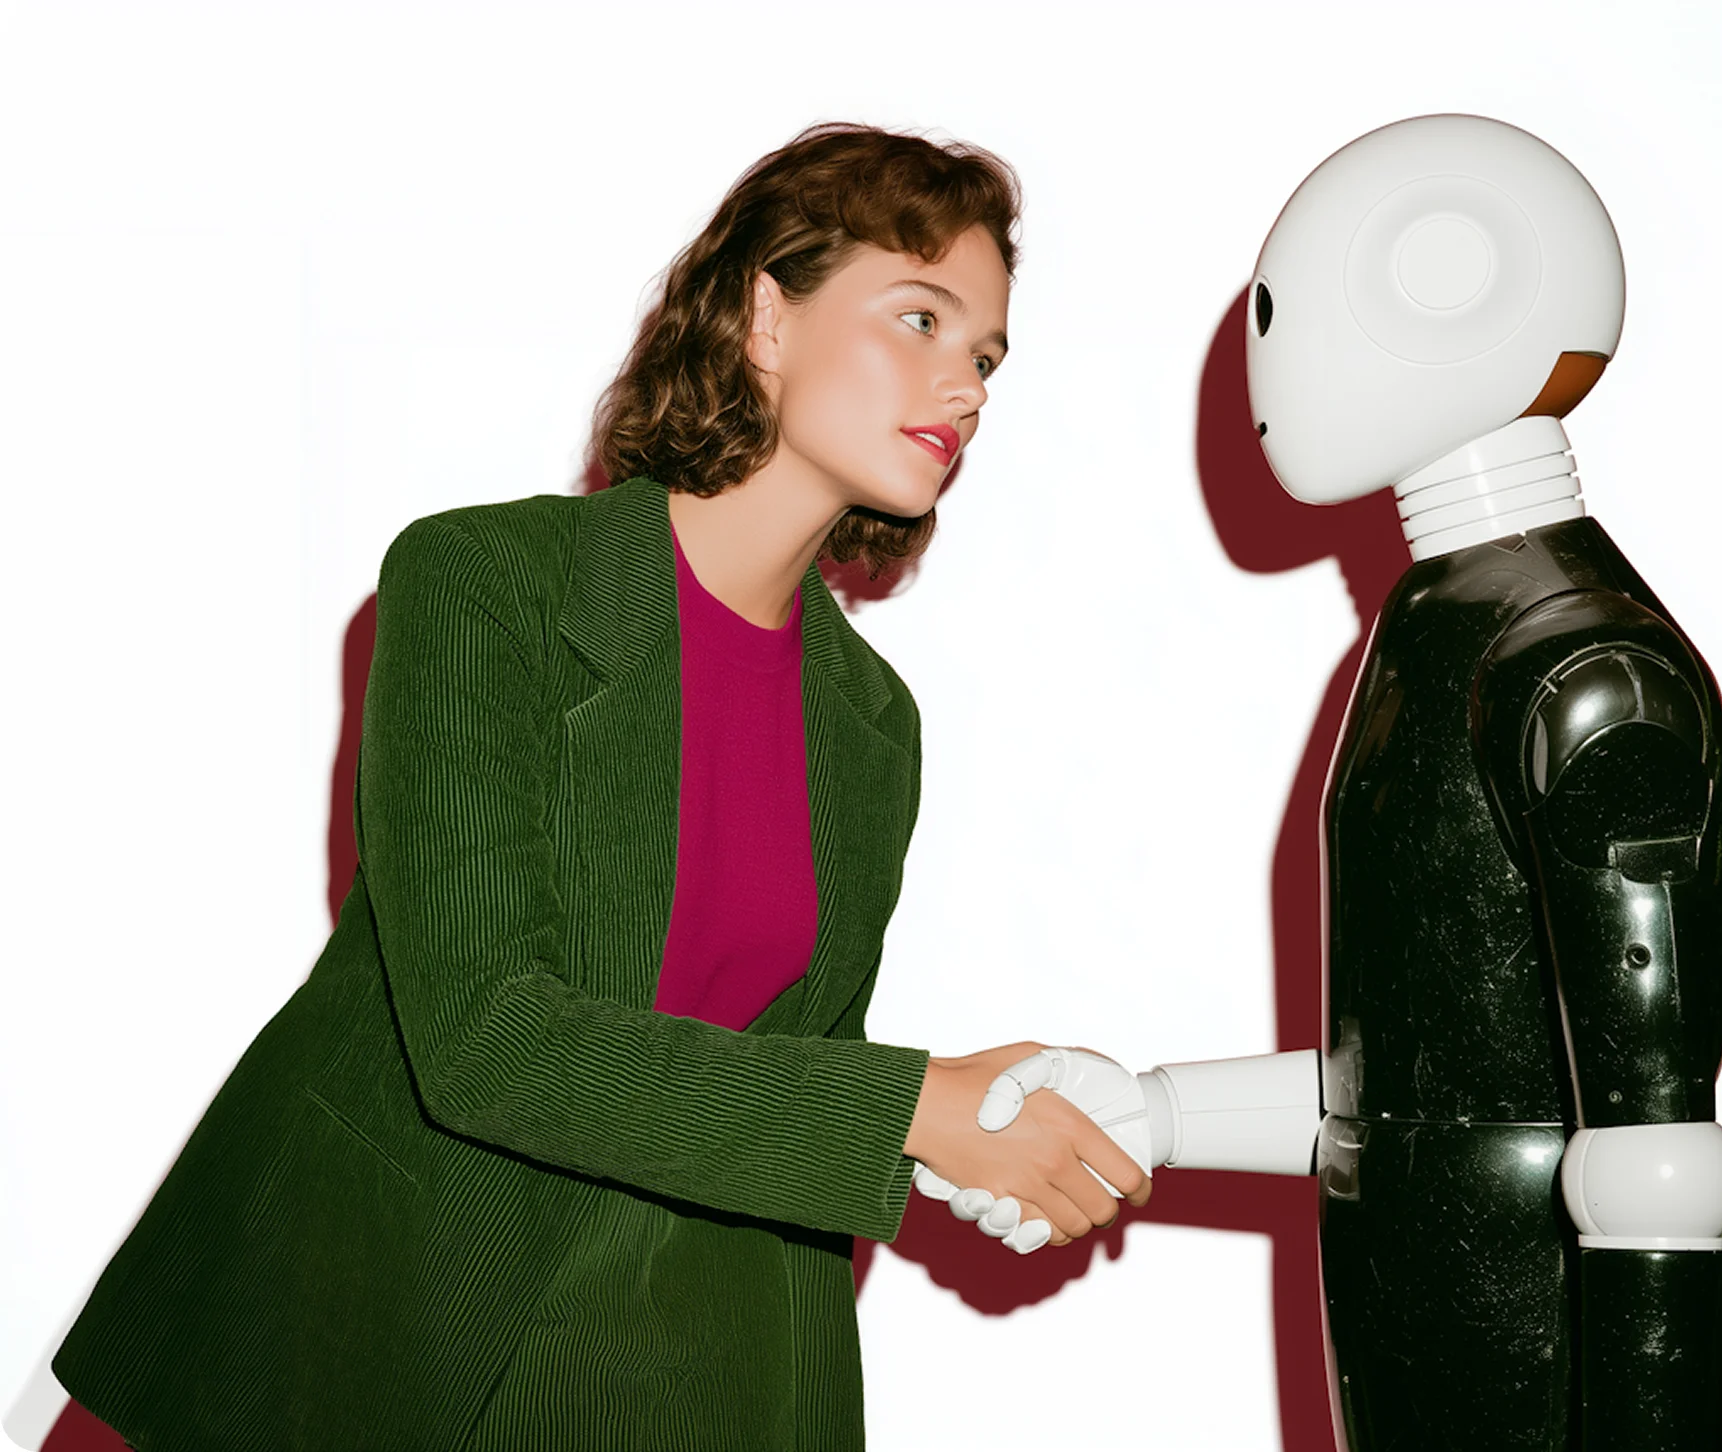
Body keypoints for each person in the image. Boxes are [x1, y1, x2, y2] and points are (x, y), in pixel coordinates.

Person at [49, 122, 1147, 1452]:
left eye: (985, 357)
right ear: (767, 314)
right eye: (920, 319)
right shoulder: (481, 585)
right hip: (363, 1328)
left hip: (664, 1363)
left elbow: (787, 1080)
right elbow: (483, 1038)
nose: (964, 388)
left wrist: (964, 1132)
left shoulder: (870, 726)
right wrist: (915, 1103)